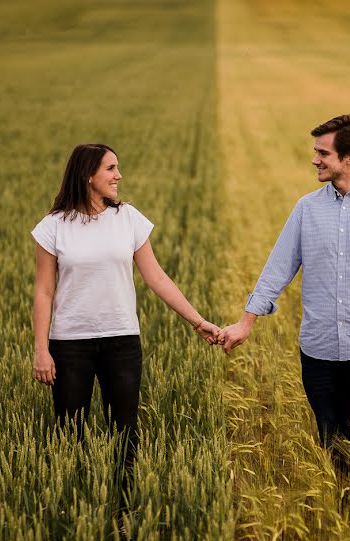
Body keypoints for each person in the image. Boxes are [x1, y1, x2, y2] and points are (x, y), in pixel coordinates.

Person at [217, 115, 350, 450]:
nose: (315, 159)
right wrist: (245, 322)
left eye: (323, 153)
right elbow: (276, 270)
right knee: (334, 448)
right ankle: (343, 504)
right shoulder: (306, 209)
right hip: (319, 355)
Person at [31, 143, 220, 468]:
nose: (119, 175)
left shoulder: (128, 218)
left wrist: (197, 321)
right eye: (110, 168)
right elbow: (44, 292)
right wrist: (40, 349)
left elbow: (157, 278)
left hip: (121, 341)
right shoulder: (54, 226)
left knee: (125, 435)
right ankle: (77, 503)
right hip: (70, 345)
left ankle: (125, 512)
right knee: (68, 435)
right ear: (88, 174)